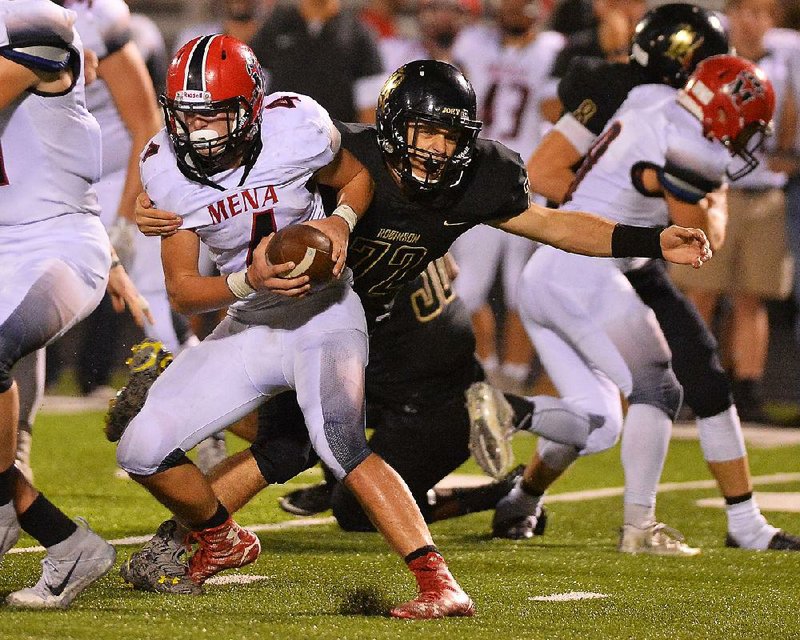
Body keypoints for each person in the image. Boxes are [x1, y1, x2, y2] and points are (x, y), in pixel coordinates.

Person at [123, 58, 711, 594]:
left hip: (416, 346)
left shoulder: (478, 178)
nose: (434, 150)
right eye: (423, 134)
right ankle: (187, 535)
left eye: (449, 136)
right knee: (287, 435)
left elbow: (553, 226)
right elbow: (251, 183)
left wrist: (650, 239)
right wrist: (166, 208)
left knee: (329, 474)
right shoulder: (337, 152)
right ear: (389, 129)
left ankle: (500, 423)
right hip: (332, 318)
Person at [115, 37, 485, 619]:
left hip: (326, 311)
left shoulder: (297, 125)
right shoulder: (164, 166)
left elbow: (357, 177)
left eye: (212, 112)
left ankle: (439, 582)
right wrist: (249, 283)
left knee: (340, 443)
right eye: (187, 113)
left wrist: (339, 224)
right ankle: (220, 538)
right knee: (139, 449)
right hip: (251, 318)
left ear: (251, 106)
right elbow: (185, 293)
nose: (198, 129)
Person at [483, 50, 800, 554]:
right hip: (586, 270)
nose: (745, 135)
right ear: (720, 110)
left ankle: (514, 461)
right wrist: (707, 192)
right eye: (744, 123)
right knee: (659, 387)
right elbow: (699, 233)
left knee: (601, 421)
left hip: (548, 269)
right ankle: (640, 526)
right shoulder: (695, 144)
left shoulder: (650, 97)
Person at [0, 0, 149, 609]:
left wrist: (116, 255)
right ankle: (18, 515)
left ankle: (62, 541)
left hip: (55, 245)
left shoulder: (35, 19)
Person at [670, 0, 795, 424]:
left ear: (772, 20)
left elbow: (791, 116)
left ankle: (748, 390)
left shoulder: (787, 56)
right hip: (710, 188)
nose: (752, 21)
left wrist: (790, 154)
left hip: (764, 190)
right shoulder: (709, 58)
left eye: (762, 12)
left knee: (751, 297)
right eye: (745, 11)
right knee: (700, 293)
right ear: (731, 14)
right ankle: (691, 385)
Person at [447, 0, 565, 392]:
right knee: (467, 287)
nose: (511, 7)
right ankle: (486, 373)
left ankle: (512, 382)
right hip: (476, 176)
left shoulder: (554, 50)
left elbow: (555, 109)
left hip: (527, 181)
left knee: (524, 290)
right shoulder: (472, 42)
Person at [248, 0, 385, 124]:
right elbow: (251, 93)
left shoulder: (359, 35)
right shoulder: (273, 28)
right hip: (280, 139)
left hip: (336, 144)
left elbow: (369, 111)